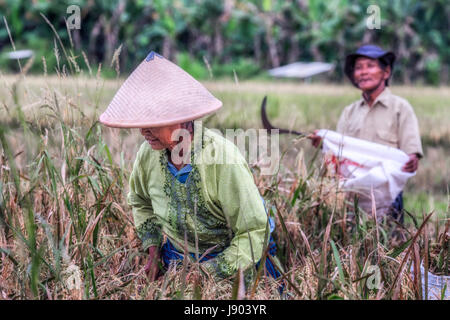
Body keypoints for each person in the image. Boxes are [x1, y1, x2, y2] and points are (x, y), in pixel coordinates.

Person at [99, 51, 281, 283]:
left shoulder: (223, 160)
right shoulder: (148, 154)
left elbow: (255, 231)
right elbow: (140, 201)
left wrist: (208, 274)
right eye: (142, 122)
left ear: (184, 118)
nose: (144, 131)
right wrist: (154, 252)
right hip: (179, 254)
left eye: (154, 121)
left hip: (238, 256)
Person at [309, 45, 423, 221]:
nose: (363, 72)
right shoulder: (350, 112)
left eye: (370, 66)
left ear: (386, 72)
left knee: (390, 241)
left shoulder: (400, 108)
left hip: (388, 193)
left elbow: (411, 150)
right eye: (358, 68)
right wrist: (324, 143)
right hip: (354, 193)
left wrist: (413, 158)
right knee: (353, 241)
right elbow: (339, 150)